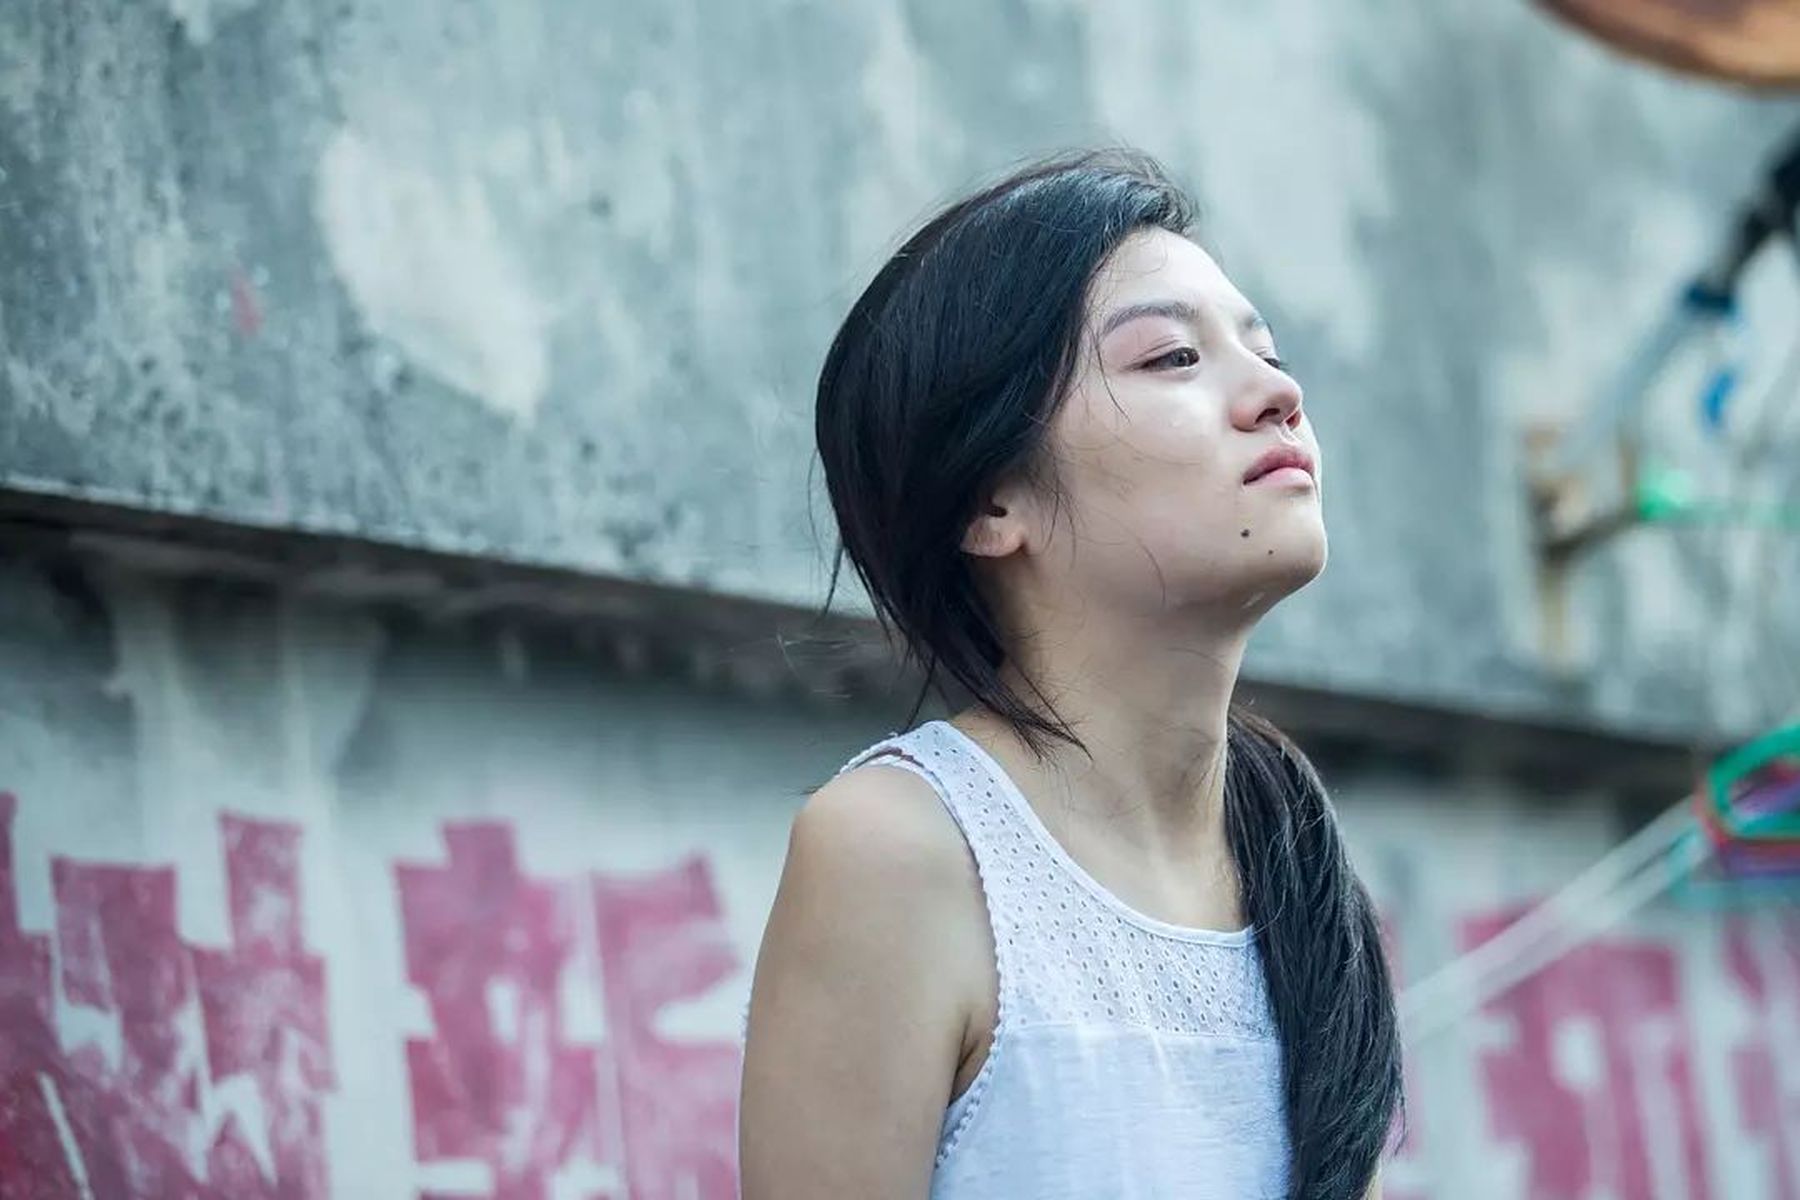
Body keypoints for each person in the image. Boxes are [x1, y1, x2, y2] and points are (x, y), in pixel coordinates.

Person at [738, 150, 1401, 1200]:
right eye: (1173, 358)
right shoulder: (902, 851)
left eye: (1266, 351)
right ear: (991, 500)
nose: (1279, 394)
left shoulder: (1300, 870)